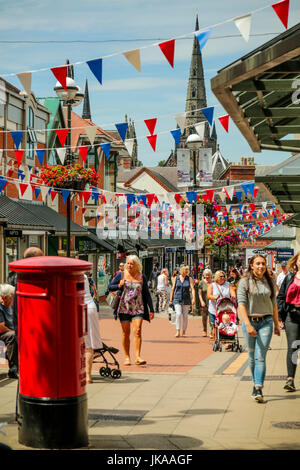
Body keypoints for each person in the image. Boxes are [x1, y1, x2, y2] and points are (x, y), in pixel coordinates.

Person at [237, 255, 280, 403]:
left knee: (260, 356)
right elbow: (241, 304)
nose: (261, 266)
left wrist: (276, 323)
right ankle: (255, 384)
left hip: (266, 322)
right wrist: (247, 324)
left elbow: (274, 304)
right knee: (252, 356)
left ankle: (258, 387)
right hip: (249, 321)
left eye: (263, 264)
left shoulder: (270, 281)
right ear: (251, 265)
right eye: (258, 263)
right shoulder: (244, 282)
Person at [108, 255, 154, 366]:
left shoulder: (142, 276)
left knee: (137, 330)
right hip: (124, 307)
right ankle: (127, 357)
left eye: (131, 263)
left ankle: (138, 357)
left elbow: (147, 294)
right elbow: (110, 287)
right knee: (125, 332)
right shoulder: (121, 275)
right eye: (128, 263)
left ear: (136, 265)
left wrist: (151, 309)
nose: (129, 265)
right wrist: (119, 285)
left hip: (138, 307)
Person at [277, 252, 300, 392]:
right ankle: (290, 379)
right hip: (292, 315)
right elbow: (280, 297)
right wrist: (280, 317)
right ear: (296, 261)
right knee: (294, 347)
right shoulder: (290, 277)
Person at [84, 273, 103, 384]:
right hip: (91, 307)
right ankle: (88, 376)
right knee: (89, 345)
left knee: (79, 344)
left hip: (78, 307)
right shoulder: (85, 277)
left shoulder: (68, 276)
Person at [207, 271, 236, 341]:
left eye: (224, 276)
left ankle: (227, 339)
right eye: (221, 276)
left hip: (226, 308)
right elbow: (209, 295)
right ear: (217, 277)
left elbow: (233, 293)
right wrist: (214, 297)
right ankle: (215, 340)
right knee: (215, 326)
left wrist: (233, 296)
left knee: (226, 324)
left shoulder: (228, 285)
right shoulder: (212, 285)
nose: (223, 278)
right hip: (214, 309)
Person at [169, 265, 195, 338]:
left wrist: (193, 298)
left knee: (185, 316)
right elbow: (173, 289)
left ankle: (184, 331)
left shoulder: (189, 279)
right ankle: (178, 330)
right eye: (185, 270)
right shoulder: (176, 278)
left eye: (188, 270)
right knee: (178, 314)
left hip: (186, 299)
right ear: (182, 270)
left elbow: (192, 289)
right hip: (177, 298)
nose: (187, 271)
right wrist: (171, 299)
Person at [0, 284, 18, 379]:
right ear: (6, 297)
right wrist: (14, 331)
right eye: (12, 297)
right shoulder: (0, 306)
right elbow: (1, 328)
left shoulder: (10, 304)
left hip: (9, 331)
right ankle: (13, 370)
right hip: (3, 333)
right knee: (13, 336)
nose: (14, 300)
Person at [198, 268, 213, 337]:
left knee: (211, 317)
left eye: (208, 275)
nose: (207, 277)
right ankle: (204, 330)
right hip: (204, 302)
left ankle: (211, 331)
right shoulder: (201, 282)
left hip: (212, 302)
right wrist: (201, 301)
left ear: (211, 275)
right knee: (204, 317)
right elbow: (200, 293)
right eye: (206, 275)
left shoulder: (213, 282)